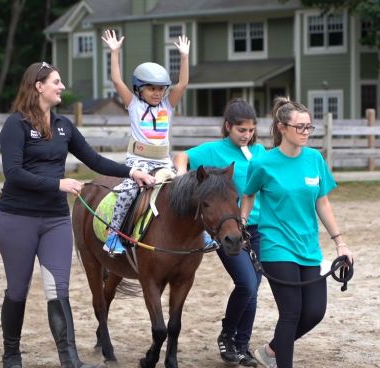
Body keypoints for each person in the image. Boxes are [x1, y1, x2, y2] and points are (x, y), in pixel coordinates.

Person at [0, 61, 155, 368]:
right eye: (56, 82)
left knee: (59, 289)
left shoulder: (63, 125)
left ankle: (70, 359)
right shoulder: (14, 126)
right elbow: (13, 173)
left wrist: (131, 172)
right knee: (18, 289)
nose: (62, 87)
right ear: (38, 86)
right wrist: (58, 183)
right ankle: (11, 354)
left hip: (54, 220)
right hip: (17, 218)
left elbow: (94, 159)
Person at [240, 97, 354, 368]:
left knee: (314, 312)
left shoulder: (314, 159)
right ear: (282, 127)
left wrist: (340, 243)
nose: (305, 132)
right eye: (300, 127)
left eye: (309, 127)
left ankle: (270, 352)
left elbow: (322, 202)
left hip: (308, 247)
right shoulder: (264, 163)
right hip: (276, 245)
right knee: (290, 313)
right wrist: (243, 222)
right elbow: (248, 194)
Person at [174, 98, 266, 367]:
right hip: (230, 229)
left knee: (253, 289)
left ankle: (241, 344)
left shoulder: (259, 152)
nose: (247, 135)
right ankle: (228, 336)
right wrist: (181, 172)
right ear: (228, 127)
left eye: (251, 130)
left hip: (260, 229)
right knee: (247, 283)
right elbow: (183, 156)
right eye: (241, 130)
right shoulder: (214, 150)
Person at [100, 29, 190, 255]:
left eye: (161, 89)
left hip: (163, 161)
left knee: (186, 189)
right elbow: (116, 80)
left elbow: (182, 85)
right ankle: (114, 235)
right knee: (129, 191)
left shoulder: (167, 106)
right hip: (138, 162)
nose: (157, 93)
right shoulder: (134, 105)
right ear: (139, 89)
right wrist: (114, 53)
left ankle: (202, 232)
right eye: (151, 88)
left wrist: (184, 57)